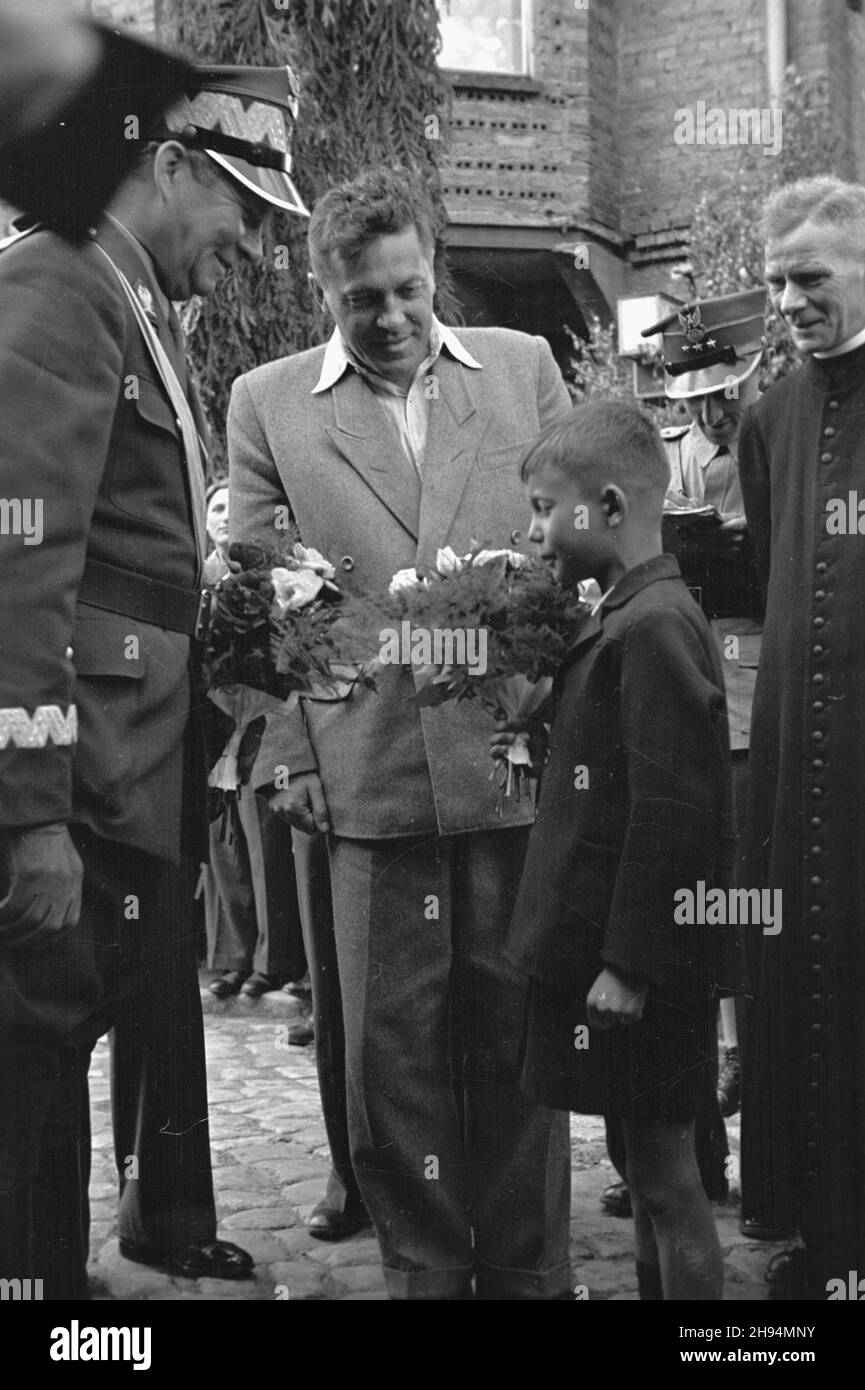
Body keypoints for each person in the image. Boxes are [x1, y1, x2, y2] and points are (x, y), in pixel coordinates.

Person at [228, 165, 574, 1299]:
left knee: (519, 1037)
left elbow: (579, 556)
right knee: (391, 1058)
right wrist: (286, 756)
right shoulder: (269, 402)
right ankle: (426, 1264)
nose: (389, 319)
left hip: (509, 767)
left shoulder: (522, 370)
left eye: (409, 291)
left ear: (437, 272)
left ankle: (524, 1266)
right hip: (364, 778)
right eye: (359, 300)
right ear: (323, 290)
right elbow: (254, 599)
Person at [0, 66, 305, 1299]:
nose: (258, 243)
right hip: (68, 795)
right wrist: (25, 818)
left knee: (46, 1082)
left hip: (122, 785)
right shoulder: (60, 284)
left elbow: (129, 571)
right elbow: (20, 571)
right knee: (21, 1107)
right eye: (246, 207)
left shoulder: (128, 300)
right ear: (172, 166)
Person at [505, 401, 742, 1300]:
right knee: (641, 1171)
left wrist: (631, 966)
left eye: (540, 509)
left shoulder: (653, 625)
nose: (533, 533)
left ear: (604, 505)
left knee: (669, 1182)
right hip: (621, 959)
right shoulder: (628, 610)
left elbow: (676, 813)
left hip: (644, 968)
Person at [737, 175, 865, 1299]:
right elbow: (772, 570)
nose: (787, 301)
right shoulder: (769, 413)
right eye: (777, 282)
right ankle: (823, 1229)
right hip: (796, 750)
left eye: (810, 279)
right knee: (808, 982)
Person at [201, 481, 307, 999]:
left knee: (262, 841)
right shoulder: (201, 576)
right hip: (217, 723)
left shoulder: (263, 571)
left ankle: (272, 959)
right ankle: (236, 956)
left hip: (262, 720)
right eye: (215, 508)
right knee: (227, 850)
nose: (225, 516)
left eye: (231, 507)